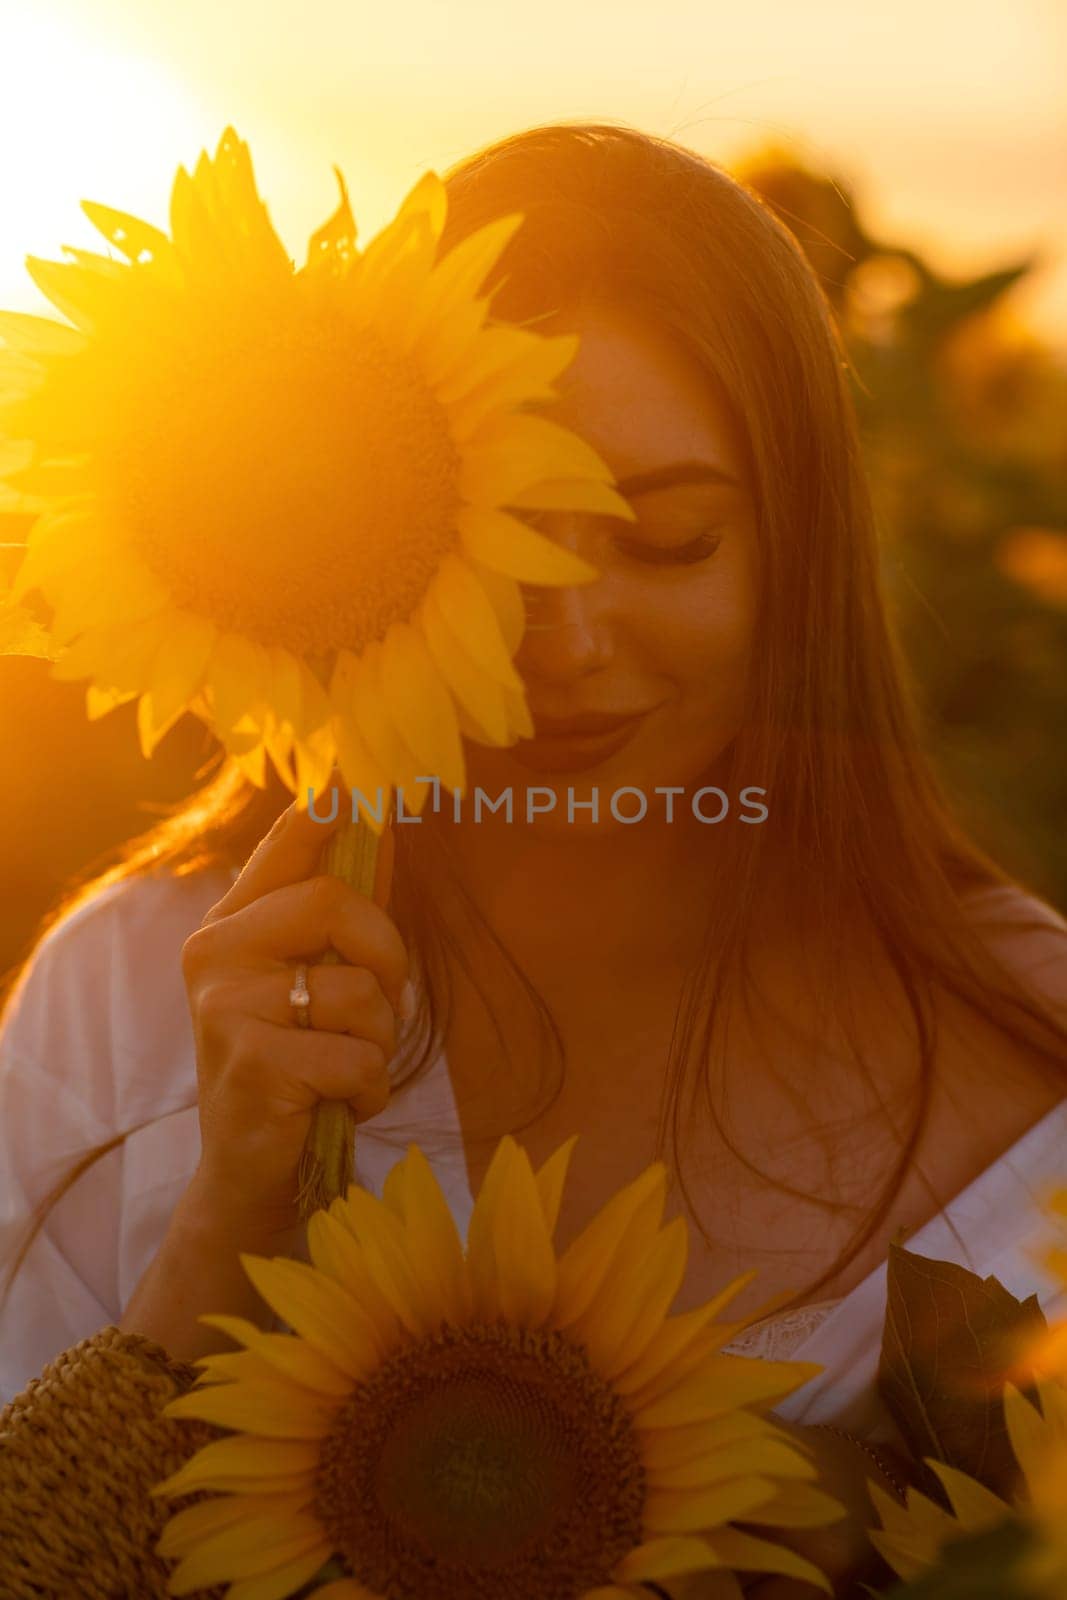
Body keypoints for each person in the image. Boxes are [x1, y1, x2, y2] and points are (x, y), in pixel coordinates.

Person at [1, 121, 1065, 1599]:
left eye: (672, 540)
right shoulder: (131, 992)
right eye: (511, 549)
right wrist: (225, 1223)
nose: (565, 646)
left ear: (803, 550)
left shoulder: (1031, 1046)